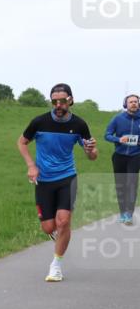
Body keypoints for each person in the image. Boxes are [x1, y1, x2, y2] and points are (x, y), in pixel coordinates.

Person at [16, 83, 98, 282]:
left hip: (67, 177)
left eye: (62, 101)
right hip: (43, 180)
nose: (58, 105)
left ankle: (56, 265)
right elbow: (22, 142)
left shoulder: (79, 125)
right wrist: (31, 165)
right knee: (48, 227)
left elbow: (92, 155)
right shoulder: (39, 122)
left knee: (63, 221)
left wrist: (90, 150)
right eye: (55, 101)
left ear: (70, 100)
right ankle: (59, 234)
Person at [104, 94, 140, 225]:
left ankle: (129, 214)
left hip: (136, 156)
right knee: (121, 184)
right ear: (126, 104)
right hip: (119, 156)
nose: (134, 104)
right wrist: (119, 139)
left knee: (131, 183)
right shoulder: (118, 118)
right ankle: (122, 212)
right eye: (131, 102)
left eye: (136, 102)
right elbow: (107, 135)